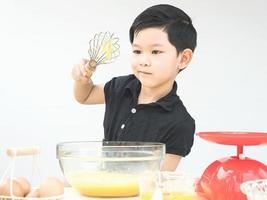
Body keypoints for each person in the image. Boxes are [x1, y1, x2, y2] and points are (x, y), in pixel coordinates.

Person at [71, 4, 197, 171]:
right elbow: (85, 97)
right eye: (137, 51)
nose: (143, 61)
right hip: (102, 184)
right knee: (48, 185)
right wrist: (82, 81)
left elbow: (159, 179)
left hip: (137, 193)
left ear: (184, 58)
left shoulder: (180, 122)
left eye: (156, 52)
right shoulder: (121, 87)